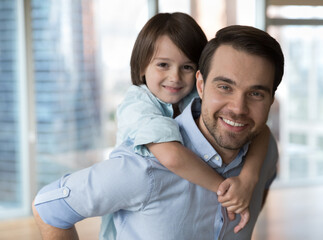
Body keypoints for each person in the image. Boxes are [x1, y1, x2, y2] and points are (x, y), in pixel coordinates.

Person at [32, 24, 284, 239]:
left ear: (271, 99)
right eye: (224, 87)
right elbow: (49, 207)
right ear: (201, 84)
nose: (238, 108)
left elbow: (264, 150)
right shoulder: (144, 166)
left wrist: (249, 179)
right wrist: (226, 190)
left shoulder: (265, 149)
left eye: (255, 94)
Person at [102, 12, 270, 238]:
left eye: (187, 67)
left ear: (200, 75)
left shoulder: (194, 96)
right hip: (138, 213)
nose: (175, 77)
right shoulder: (137, 105)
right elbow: (171, 156)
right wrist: (228, 193)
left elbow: (262, 131)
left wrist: (249, 179)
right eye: (163, 65)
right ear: (142, 67)